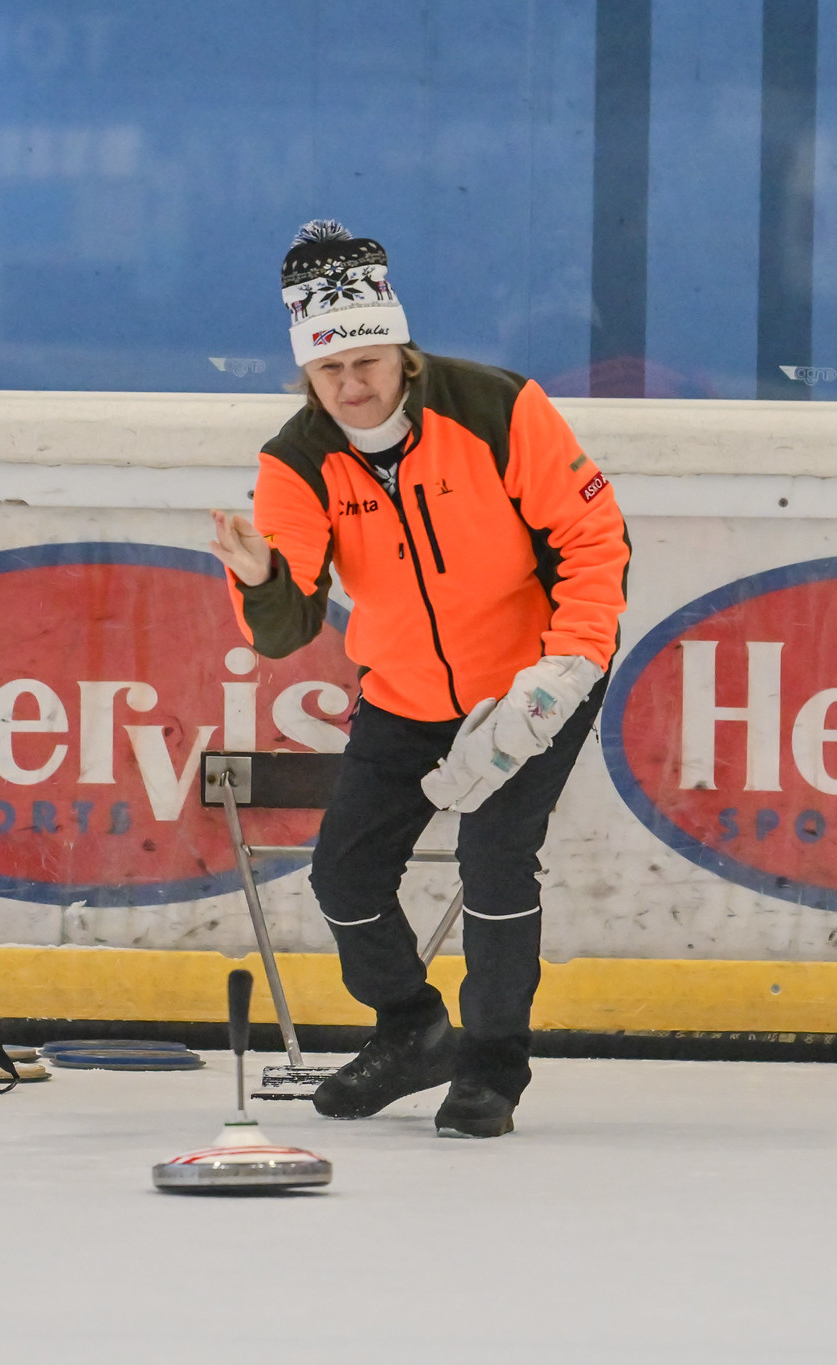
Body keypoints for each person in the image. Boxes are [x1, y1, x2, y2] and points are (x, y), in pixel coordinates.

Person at [206, 220, 630, 1138]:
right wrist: (259, 579)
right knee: (346, 873)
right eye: (330, 372)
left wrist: (565, 666)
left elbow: (593, 540)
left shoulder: (497, 407)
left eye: (369, 362)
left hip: (534, 678)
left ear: (402, 350)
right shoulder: (297, 461)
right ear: (307, 378)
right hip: (404, 690)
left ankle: (491, 1067)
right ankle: (412, 1029)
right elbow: (290, 627)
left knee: (495, 858)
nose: (354, 386)